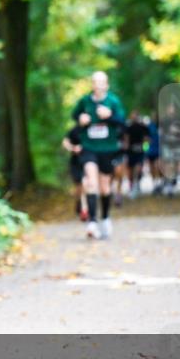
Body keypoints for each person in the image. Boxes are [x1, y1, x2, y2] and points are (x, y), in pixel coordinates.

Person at [71, 71, 126, 239]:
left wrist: (110, 117)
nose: (99, 85)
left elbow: (122, 123)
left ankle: (106, 218)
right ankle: (92, 222)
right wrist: (81, 118)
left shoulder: (113, 101)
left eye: (102, 82)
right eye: (95, 82)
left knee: (104, 187)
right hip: (89, 148)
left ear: (107, 85)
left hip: (108, 149)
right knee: (91, 182)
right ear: (92, 85)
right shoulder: (85, 101)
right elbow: (74, 116)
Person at [62, 127, 87, 221]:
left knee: (86, 185)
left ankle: (85, 209)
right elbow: (65, 142)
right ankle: (79, 203)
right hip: (76, 162)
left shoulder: (93, 128)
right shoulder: (74, 130)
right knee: (78, 187)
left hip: (88, 161)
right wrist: (72, 148)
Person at [125, 110, 149, 198]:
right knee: (130, 171)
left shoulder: (143, 127)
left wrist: (145, 148)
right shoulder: (128, 127)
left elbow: (146, 139)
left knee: (138, 168)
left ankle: (137, 184)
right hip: (130, 151)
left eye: (135, 115)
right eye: (132, 115)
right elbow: (126, 138)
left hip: (140, 151)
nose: (133, 117)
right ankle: (131, 185)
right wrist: (126, 148)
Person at [145, 113, 164, 195]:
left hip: (160, 150)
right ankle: (155, 183)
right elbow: (146, 139)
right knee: (152, 168)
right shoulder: (150, 126)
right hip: (151, 150)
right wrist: (145, 149)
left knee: (157, 166)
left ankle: (159, 182)